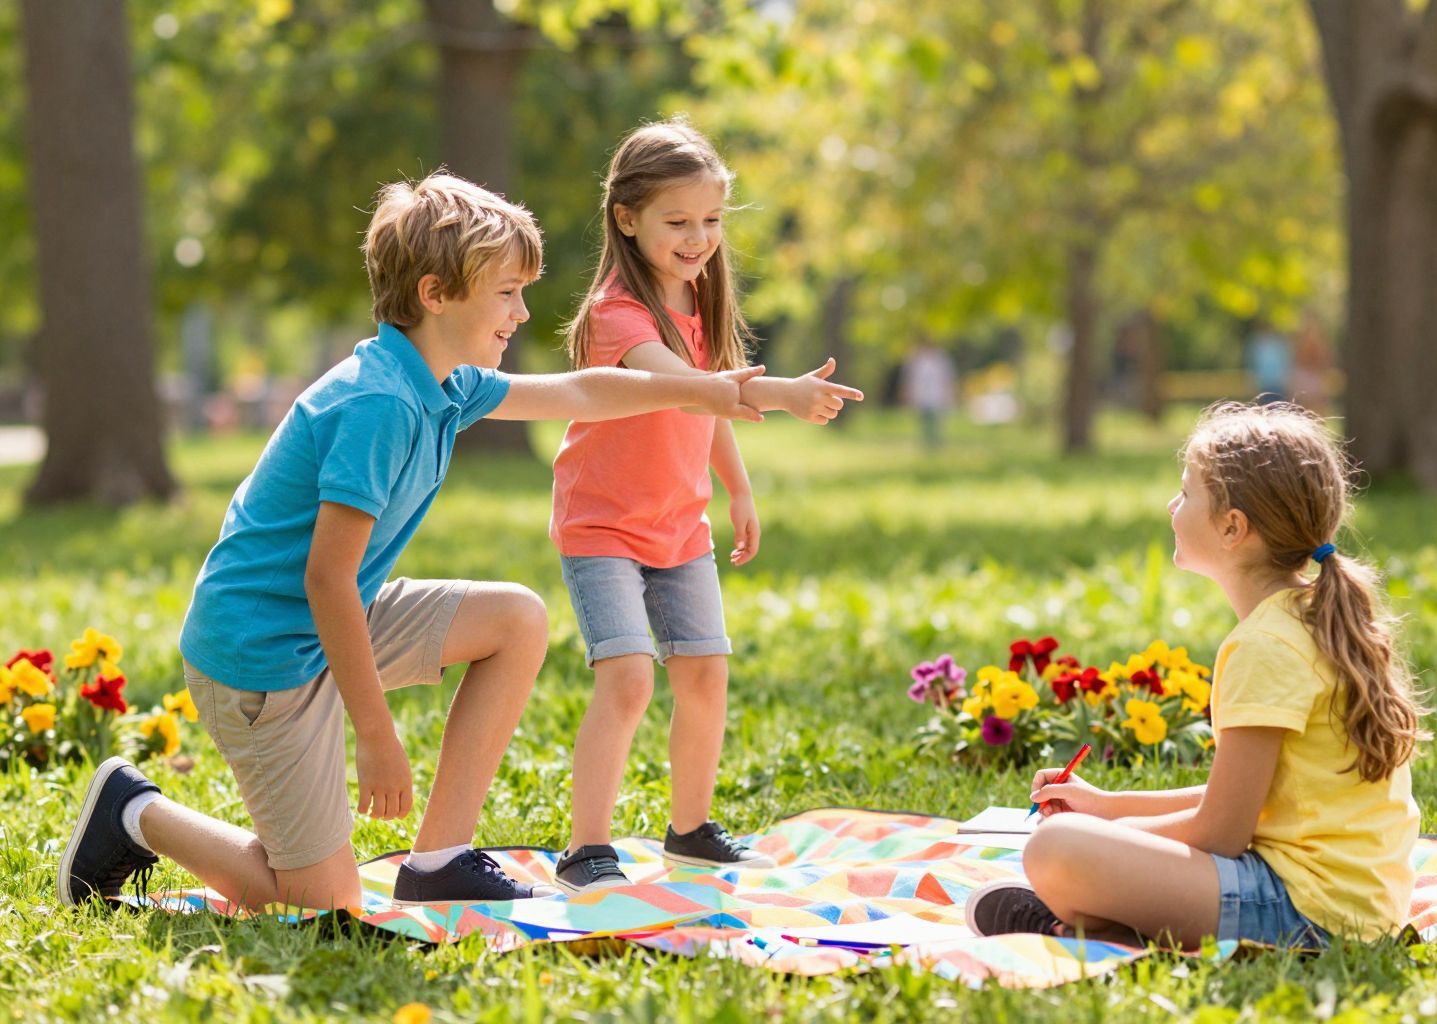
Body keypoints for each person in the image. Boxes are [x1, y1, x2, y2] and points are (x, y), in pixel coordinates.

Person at [56, 173, 768, 913]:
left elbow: (582, 391)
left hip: (330, 622)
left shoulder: (446, 378)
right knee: (323, 907)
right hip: (263, 657)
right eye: (506, 293)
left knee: (516, 619)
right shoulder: (380, 405)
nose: (523, 314)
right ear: (435, 294)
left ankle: (438, 862)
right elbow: (325, 580)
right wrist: (376, 733)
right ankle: (131, 811)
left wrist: (710, 391)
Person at [967, 401, 1425, 948]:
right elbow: (1244, 800)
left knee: (1055, 848)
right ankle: (1104, 922)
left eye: (1186, 493)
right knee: (1074, 840)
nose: (1171, 504)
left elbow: (1221, 833)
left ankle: (1104, 928)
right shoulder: (1306, 619)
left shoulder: (1263, 647)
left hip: (1305, 913)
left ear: (1233, 527)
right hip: (1351, 905)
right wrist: (1108, 806)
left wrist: (1104, 834)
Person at [549, 118, 863, 893]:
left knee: (705, 675)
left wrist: (739, 486)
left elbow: (704, 409)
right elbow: (679, 387)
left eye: (712, 221)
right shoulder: (615, 315)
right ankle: (585, 849)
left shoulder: (696, 299)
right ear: (627, 218)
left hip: (679, 526)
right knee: (627, 679)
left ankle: (689, 831)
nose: (699, 239)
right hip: (603, 527)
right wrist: (783, 394)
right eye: (679, 221)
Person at [899, 340, 957, 449]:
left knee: (936, 422)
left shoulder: (941, 359)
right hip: (920, 395)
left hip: (936, 396)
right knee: (923, 422)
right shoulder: (916, 359)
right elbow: (909, 378)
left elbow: (947, 378)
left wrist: (948, 394)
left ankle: (935, 444)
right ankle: (926, 444)